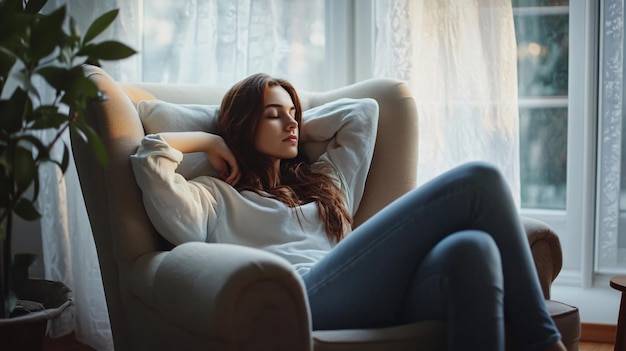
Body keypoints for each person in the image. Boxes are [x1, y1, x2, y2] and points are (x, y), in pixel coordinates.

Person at [131, 73, 567, 351]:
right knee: (479, 180)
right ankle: (545, 343)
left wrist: (289, 124)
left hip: (372, 290)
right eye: (273, 115)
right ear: (242, 126)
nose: (293, 123)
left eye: (295, 114)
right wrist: (210, 140)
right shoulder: (212, 196)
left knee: (473, 249)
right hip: (304, 299)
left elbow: (363, 113)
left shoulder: (324, 181)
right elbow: (150, 161)